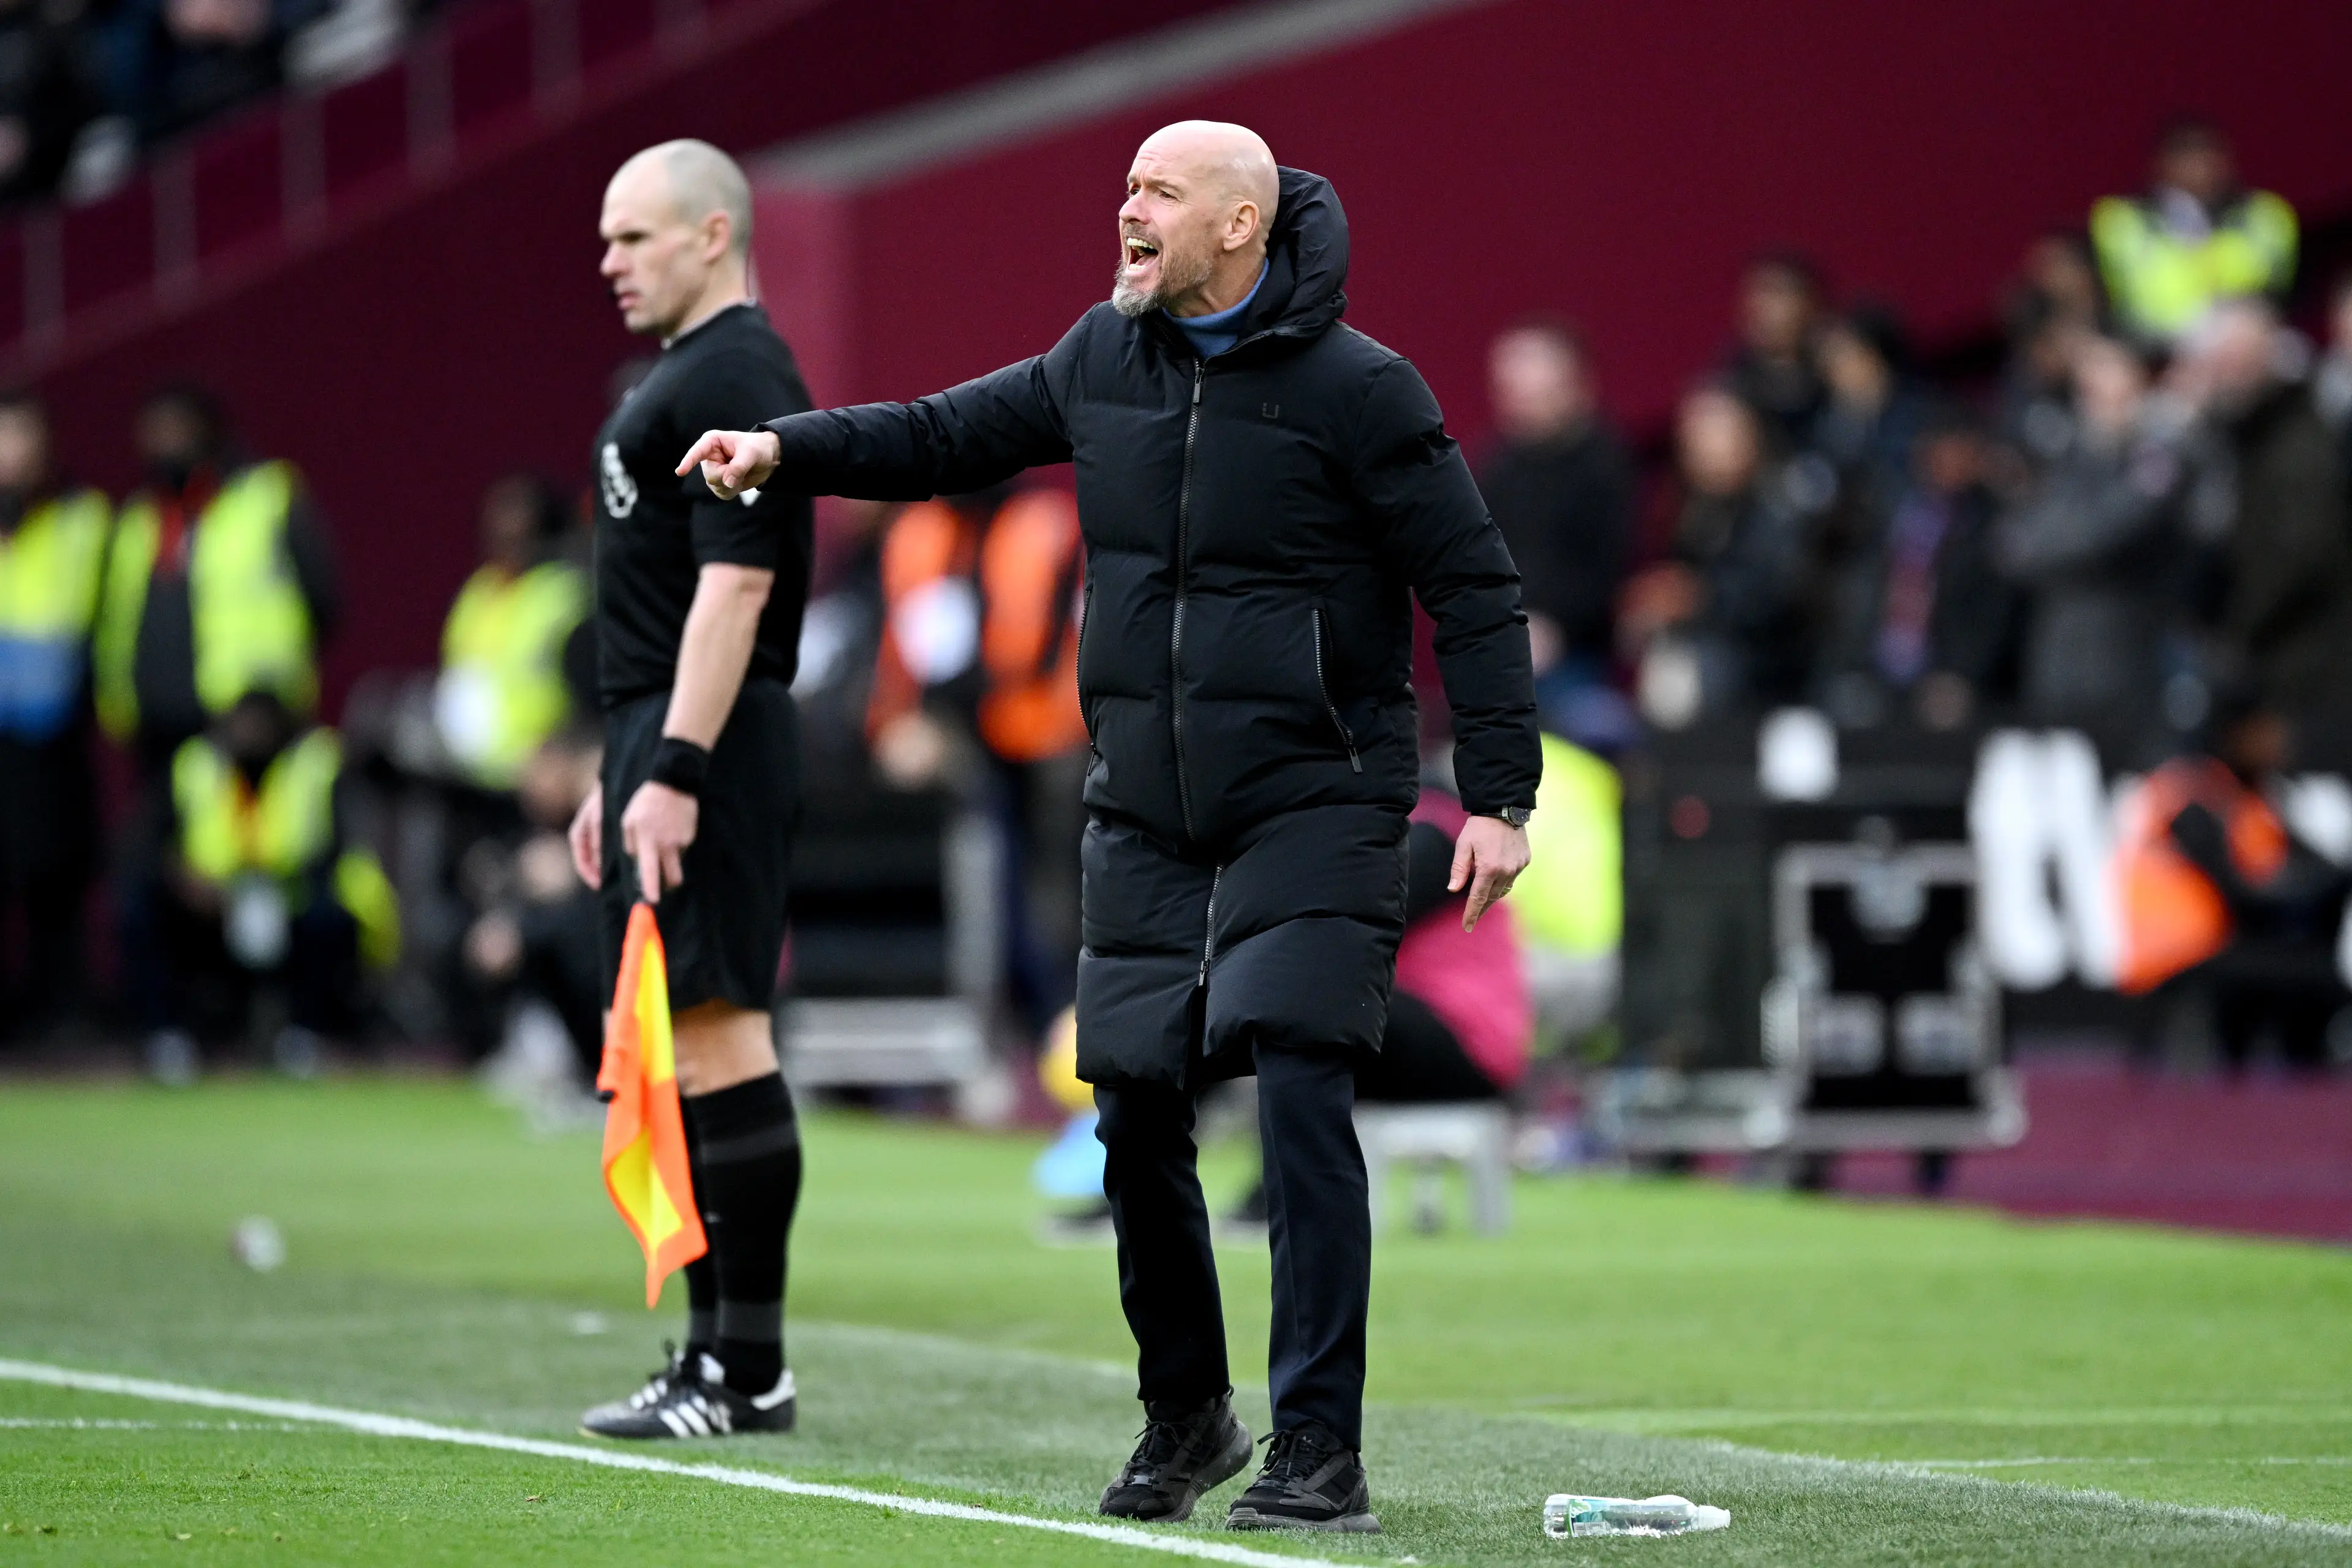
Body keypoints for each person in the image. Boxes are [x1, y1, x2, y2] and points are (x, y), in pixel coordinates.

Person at [682, 121, 1539, 1533]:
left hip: (1315, 797)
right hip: (1141, 805)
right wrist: (787, 448)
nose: (1124, 209)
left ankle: (1318, 1444)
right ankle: (1187, 1411)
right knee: (1134, 1102)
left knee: (1298, 1075)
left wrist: (1499, 797)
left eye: (1156, 192)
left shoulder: (1360, 389)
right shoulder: (1103, 355)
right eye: (1125, 186)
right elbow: (944, 432)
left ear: (1240, 224)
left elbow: (1474, 585)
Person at [565, 139, 814, 1442]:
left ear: (713, 235)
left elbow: (737, 588)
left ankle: (747, 1367)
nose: (610, 262)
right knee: (684, 1039)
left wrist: (672, 764)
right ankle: (717, 1363)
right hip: (663, 737)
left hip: (707, 743)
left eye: (635, 237)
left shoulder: (737, 372)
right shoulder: (686, 373)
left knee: (720, 1031)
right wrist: (625, 766)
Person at [863, 483, 1089, 1029]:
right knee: (993, 886)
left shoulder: (1045, 527)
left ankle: (1070, 1016)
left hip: (1053, 739)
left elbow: (1043, 648)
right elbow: (899, 655)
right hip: (964, 742)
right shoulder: (915, 535)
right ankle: (1009, 1025)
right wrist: (899, 723)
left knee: (1064, 887)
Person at [125, 688, 399, 1079]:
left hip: (291, 901)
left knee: (333, 915)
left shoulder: (316, 762)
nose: (252, 733)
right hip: (208, 909)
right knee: (142, 908)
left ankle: (306, 1036)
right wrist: (186, 881)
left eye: (261, 724)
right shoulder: (196, 763)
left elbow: (339, 849)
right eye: (243, 723)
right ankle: (170, 1037)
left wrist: (280, 888)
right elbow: (144, 847)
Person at [92, 382, 337, 777]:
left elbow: (325, 600)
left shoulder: (265, 495)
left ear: (208, 429)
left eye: (177, 428)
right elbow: (116, 622)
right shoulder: (138, 521)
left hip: (251, 717)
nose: (166, 443)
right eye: (155, 432)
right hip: (156, 726)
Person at [2113, 688, 2349, 1071]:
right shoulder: (2192, 795)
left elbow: (2320, 868)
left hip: (2226, 954)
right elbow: (2241, 893)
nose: (2281, 739)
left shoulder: (2254, 799)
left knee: (2313, 974)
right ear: (2236, 734)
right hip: (2178, 965)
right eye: (2267, 729)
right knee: (2300, 973)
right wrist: (2306, 888)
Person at [1995, 334, 2190, 767]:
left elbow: (2107, 535)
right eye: (2088, 371)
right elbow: (2012, 546)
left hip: (2129, 665)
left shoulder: (2160, 456)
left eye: (2107, 369)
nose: (2092, 385)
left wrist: (2052, 542)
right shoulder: (2064, 455)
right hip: (2055, 664)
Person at [2175, 300, 2352, 755]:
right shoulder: (2233, 436)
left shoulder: (2299, 434)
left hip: (2317, 664)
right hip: (2278, 661)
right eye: (2218, 361)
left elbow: (2304, 553)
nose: (2225, 372)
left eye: (2237, 357)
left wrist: (2238, 629)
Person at [0, 390, 108, 1041]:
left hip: (53, 727)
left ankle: (60, 1015)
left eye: (17, 441)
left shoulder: (79, 519)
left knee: (54, 876)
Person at [1619, 385, 1823, 719]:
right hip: (1708, 646)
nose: (1702, 452)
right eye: (1693, 441)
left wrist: (1697, 599)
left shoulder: (1779, 505)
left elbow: (1778, 599)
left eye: (1715, 437)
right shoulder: (1690, 507)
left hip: (1772, 664)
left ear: (1749, 438)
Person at [1474, 320, 1632, 747]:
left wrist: (1553, 628)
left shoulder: (1606, 468)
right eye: (1511, 392)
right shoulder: (1498, 467)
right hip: (1504, 649)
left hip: (1582, 659)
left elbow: (1610, 571)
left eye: (1536, 393)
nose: (1521, 407)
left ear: (1574, 387)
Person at [434, 473, 588, 795]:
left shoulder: (563, 593)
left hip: (537, 777)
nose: (504, 532)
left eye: (516, 520)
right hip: (466, 772)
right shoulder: (477, 592)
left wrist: (562, 749)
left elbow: (587, 689)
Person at [2090, 118, 2297, 345]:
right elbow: (2119, 306)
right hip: (2152, 352)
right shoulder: (2120, 219)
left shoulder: (2265, 213)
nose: (2198, 165)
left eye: (2207, 153)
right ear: (2160, 163)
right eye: (2185, 153)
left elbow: (2276, 295)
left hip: (2249, 345)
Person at [1720, 252, 1826, 454]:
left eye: (1777, 293)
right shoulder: (1728, 389)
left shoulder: (1839, 384)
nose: (1762, 308)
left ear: (1810, 304)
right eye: (1757, 294)